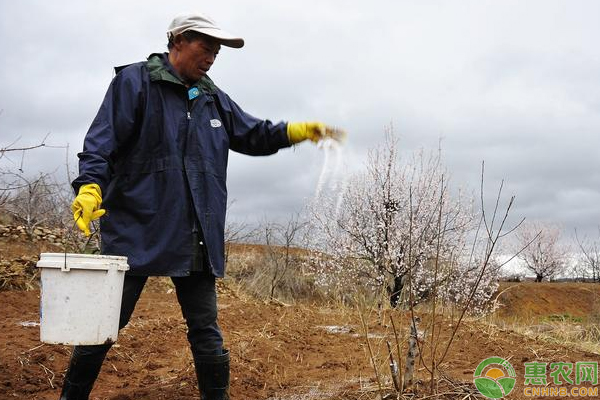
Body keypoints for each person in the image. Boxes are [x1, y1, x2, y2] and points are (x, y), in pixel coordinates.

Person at [61, 11, 344, 400]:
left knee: (205, 329)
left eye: (216, 52)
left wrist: (292, 132)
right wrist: (90, 186)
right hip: (137, 228)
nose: (211, 57)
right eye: (205, 47)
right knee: (103, 325)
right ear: (177, 41)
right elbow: (101, 144)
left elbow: (253, 134)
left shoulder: (212, 99)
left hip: (195, 231)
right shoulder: (135, 83)